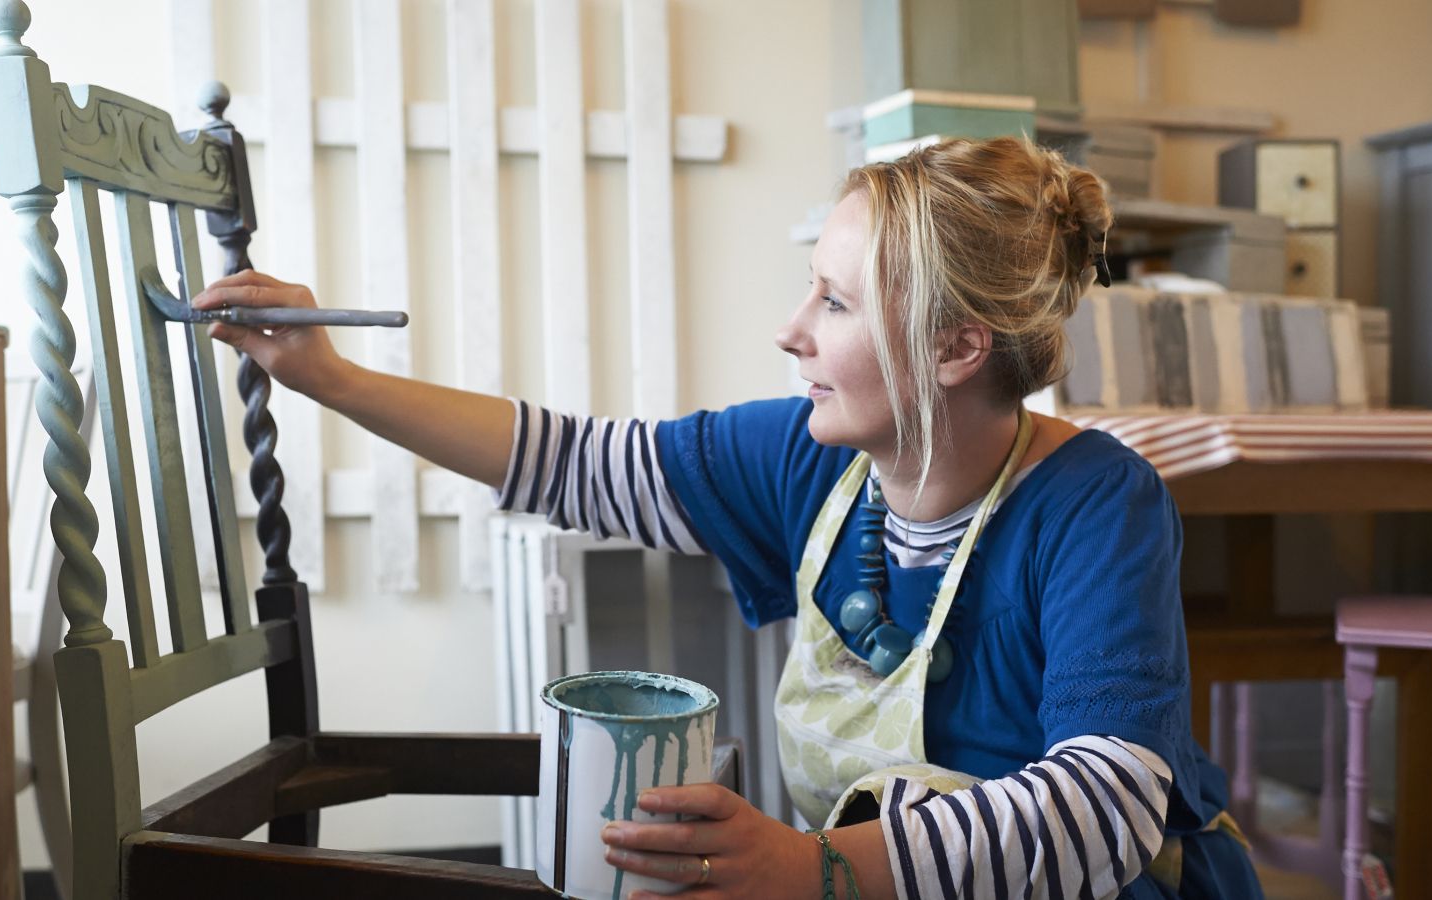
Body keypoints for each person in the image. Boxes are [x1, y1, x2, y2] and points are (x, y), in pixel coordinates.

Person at [194, 136, 1263, 900]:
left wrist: (814, 868)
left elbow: (1103, 810)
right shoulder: (808, 460)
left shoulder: (1095, 504)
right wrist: (329, 377)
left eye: (834, 303)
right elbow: (571, 462)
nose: (790, 331)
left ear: (953, 348)